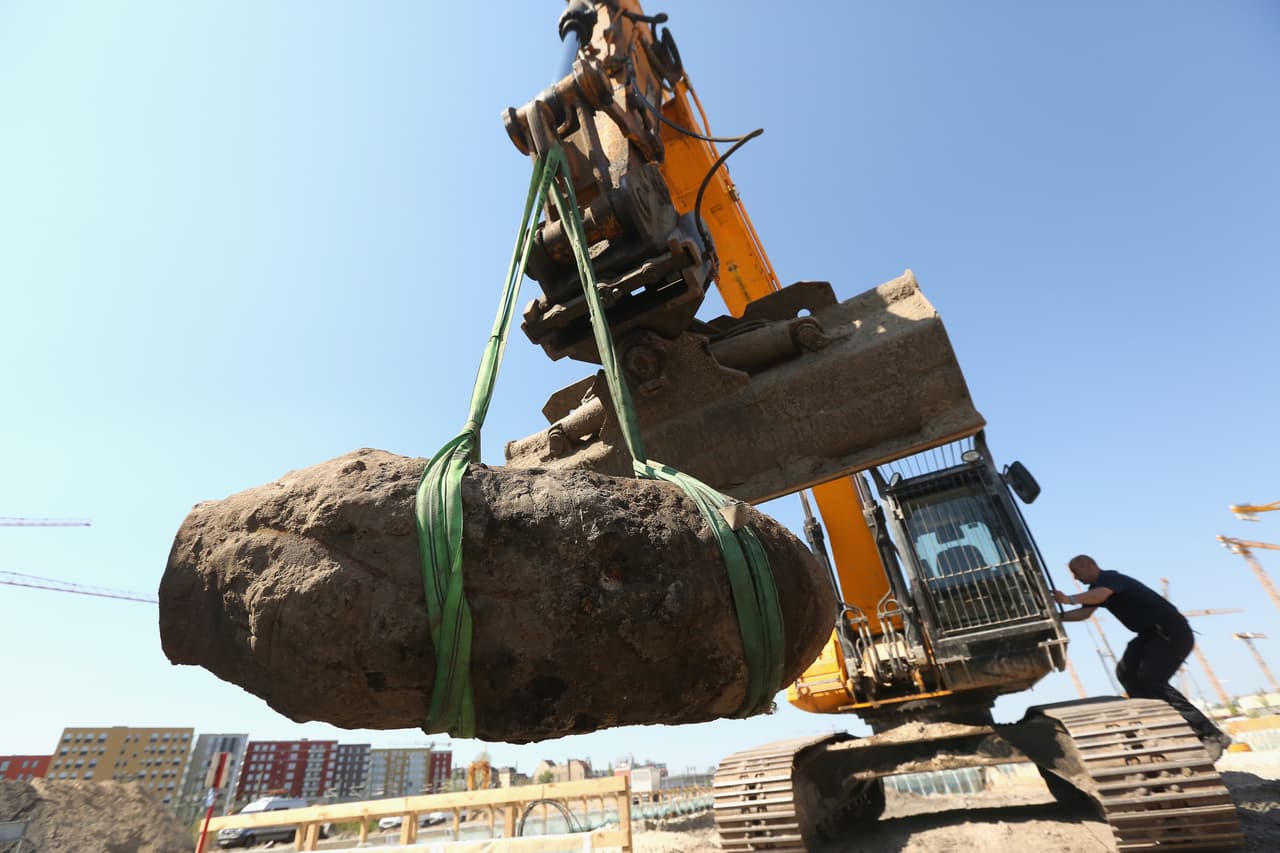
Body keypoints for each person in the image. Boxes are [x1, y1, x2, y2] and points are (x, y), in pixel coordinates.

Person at [1052, 554, 1232, 760]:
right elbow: (1083, 614)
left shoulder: (1109, 579)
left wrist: (1068, 599)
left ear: (1089, 565)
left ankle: (1211, 734)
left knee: (1151, 680)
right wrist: (1055, 617)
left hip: (1170, 632)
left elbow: (1101, 594)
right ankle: (1153, 724)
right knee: (1126, 673)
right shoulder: (1095, 589)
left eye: (1076, 573)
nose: (1076, 578)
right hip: (1149, 635)